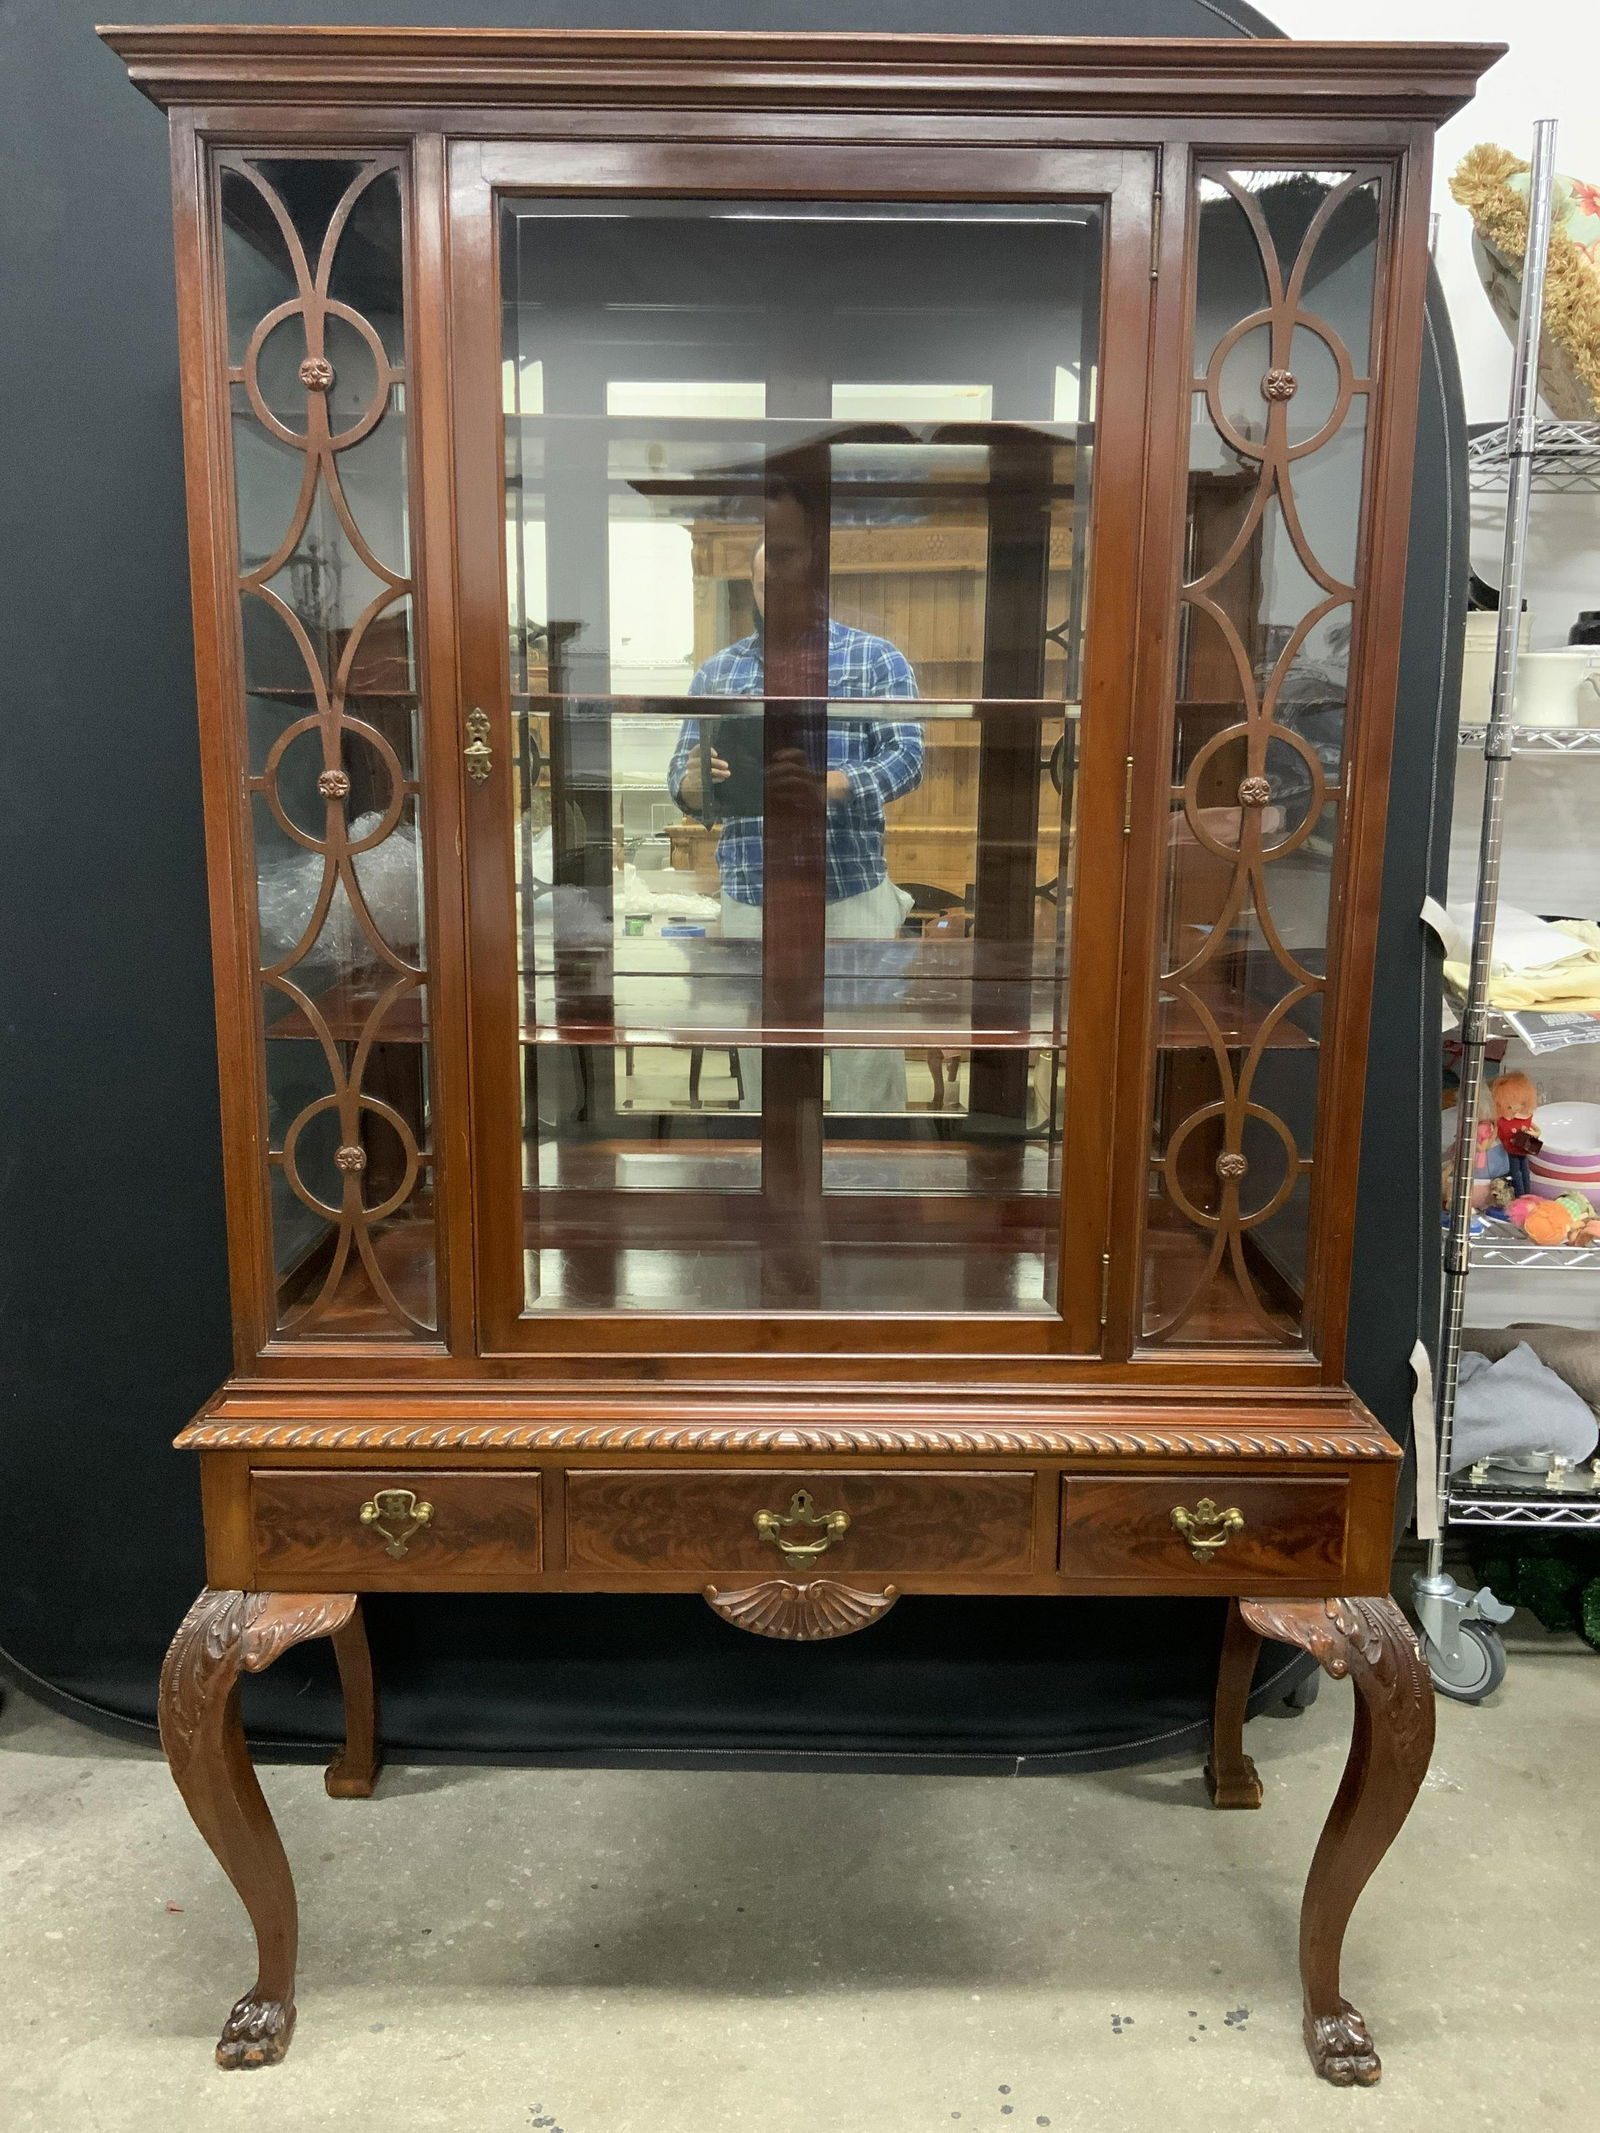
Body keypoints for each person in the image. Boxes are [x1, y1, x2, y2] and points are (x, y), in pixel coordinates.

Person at [667, 531, 923, 1112]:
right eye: (764, 582)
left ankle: (869, 1184)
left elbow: (907, 758)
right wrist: (694, 783)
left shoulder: (876, 659)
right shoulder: (718, 673)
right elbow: (682, 780)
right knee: (767, 1053)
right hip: (753, 894)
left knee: (866, 1053)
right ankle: (776, 1190)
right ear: (752, 587)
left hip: (850, 890)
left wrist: (823, 787)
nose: (777, 592)